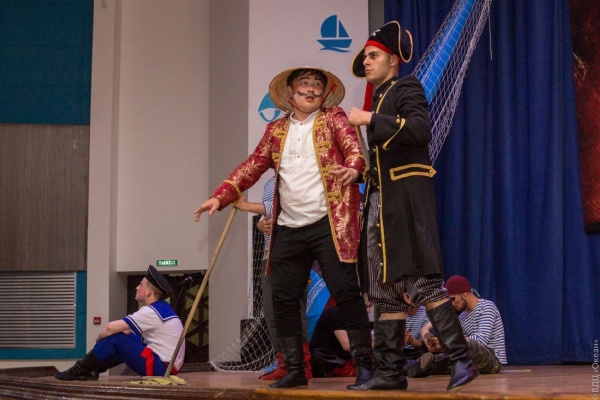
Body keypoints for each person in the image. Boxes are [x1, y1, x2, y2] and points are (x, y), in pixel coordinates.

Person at [193, 66, 374, 389]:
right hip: (288, 227)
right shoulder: (275, 130)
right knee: (284, 299)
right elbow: (253, 166)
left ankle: (365, 367)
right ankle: (295, 369)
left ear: (324, 93)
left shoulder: (334, 119)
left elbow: (354, 151)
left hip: (330, 224)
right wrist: (220, 197)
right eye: (305, 84)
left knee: (346, 292)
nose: (311, 89)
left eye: (317, 85)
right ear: (290, 93)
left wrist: (352, 169)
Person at [346, 21, 479, 392]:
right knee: (386, 290)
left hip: (404, 204)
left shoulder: (407, 87)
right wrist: (356, 174)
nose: (366, 62)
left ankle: (462, 360)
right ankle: (390, 372)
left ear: (393, 60)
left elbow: (420, 130)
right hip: (381, 206)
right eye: (366, 57)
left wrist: (371, 119)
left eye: (373, 56)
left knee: (422, 281)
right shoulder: (380, 97)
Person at [234, 176, 312, 380]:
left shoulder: (295, 176)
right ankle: (284, 363)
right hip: (270, 253)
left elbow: (284, 207)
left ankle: (301, 364)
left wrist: (246, 206)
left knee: (291, 309)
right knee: (271, 311)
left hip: (291, 253)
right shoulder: (270, 181)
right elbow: (272, 213)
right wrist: (261, 225)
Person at [55, 266, 185, 380]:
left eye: (140, 285)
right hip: (167, 367)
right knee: (129, 337)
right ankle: (93, 370)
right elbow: (128, 332)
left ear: (149, 291)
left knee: (116, 338)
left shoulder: (150, 311)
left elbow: (109, 328)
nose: (137, 288)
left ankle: (78, 370)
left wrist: (100, 339)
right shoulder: (161, 308)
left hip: (162, 369)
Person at [409, 275, 507, 377]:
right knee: (449, 356)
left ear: (464, 293)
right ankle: (420, 366)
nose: (452, 304)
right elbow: (460, 345)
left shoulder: (486, 307)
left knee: (469, 345)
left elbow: (481, 340)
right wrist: (441, 346)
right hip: (472, 362)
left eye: (453, 299)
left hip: (493, 361)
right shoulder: (462, 317)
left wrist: (448, 342)